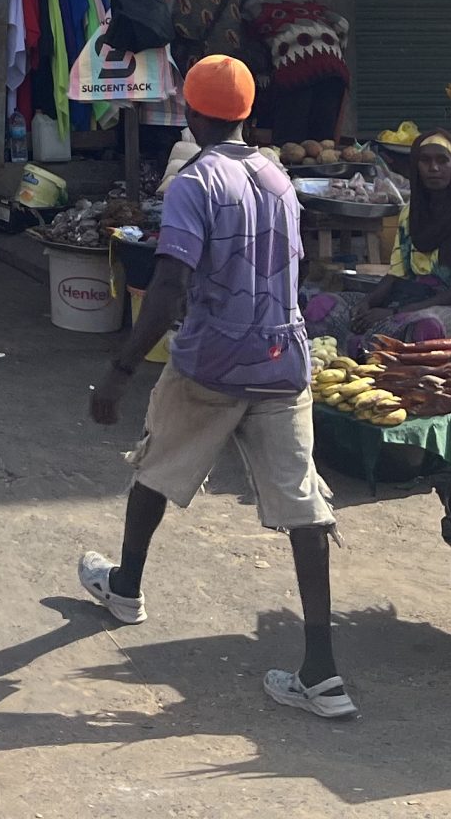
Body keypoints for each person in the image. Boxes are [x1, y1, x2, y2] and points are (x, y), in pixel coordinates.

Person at [80, 54, 355, 721]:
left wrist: (118, 370)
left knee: (156, 463)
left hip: (212, 361)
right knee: (304, 506)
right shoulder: (278, 176)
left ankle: (126, 587)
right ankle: (322, 672)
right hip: (282, 360)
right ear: (246, 114)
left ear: (194, 114)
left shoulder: (194, 184)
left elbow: (168, 286)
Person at [305, 131, 451, 353]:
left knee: (424, 325)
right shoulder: (412, 213)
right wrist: (369, 303)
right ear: (415, 166)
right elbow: (397, 273)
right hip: (410, 298)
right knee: (322, 306)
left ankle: (366, 353)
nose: (434, 168)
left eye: (442, 160)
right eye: (425, 161)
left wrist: (396, 313)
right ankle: (344, 356)